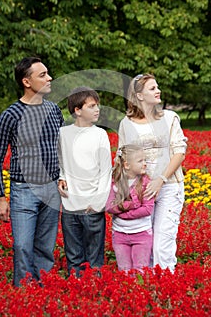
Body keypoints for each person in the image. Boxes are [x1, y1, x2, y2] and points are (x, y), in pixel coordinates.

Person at [0, 57, 64, 286]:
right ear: (26, 81)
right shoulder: (11, 115)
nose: (49, 78)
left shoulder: (54, 110)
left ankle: (42, 292)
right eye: (42, 75)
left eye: (48, 73)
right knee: (22, 245)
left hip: (52, 189)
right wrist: (1, 197)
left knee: (45, 246)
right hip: (24, 190)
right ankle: (23, 291)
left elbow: (62, 149)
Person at [118, 73, 187, 272]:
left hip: (169, 186)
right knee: (144, 244)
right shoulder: (126, 123)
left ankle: (167, 286)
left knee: (162, 245)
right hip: (139, 190)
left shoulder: (170, 117)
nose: (158, 91)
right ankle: (148, 292)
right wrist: (121, 191)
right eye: (152, 88)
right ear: (139, 95)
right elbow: (122, 156)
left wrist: (161, 180)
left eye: (157, 87)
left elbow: (179, 152)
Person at [58, 86, 112, 277]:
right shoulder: (63, 134)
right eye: (91, 106)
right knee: (74, 257)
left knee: (95, 258)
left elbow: (106, 171)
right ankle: (76, 295)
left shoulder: (100, 135)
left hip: (92, 206)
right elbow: (60, 162)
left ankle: (94, 295)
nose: (97, 109)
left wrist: (98, 203)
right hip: (70, 205)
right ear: (77, 110)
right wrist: (61, 177)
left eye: (97, 105)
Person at [105, 144, 154, 273]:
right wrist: (130, 205)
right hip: (120, 235)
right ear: (127, 165)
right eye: (140, 161)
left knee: (141, 270)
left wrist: (124, 213)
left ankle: (140, 292)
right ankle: (126, 293)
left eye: (145, 160)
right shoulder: (115, 183)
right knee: (124, 270)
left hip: (142, 234)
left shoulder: (146, 183)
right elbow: (109, 206)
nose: (145, 164)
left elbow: (147, 209)